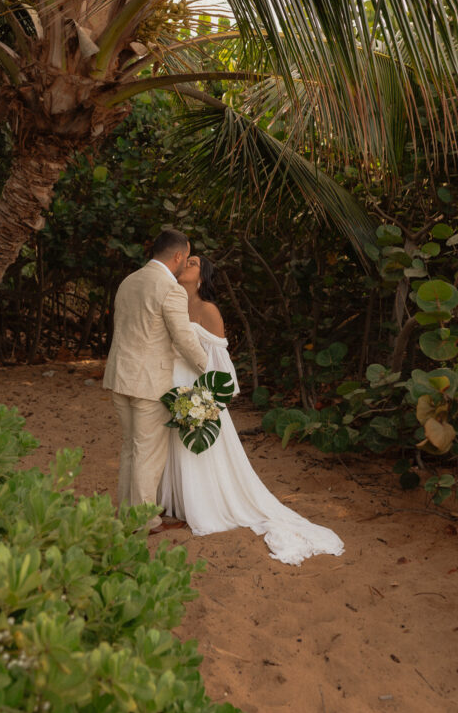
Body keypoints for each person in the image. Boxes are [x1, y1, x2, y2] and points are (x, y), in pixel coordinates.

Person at [159, 255, 345, 565]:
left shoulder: (209, 311)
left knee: (198, 452)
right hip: (172, 387)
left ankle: (201, 506)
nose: (184, 265)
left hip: (198, 392)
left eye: (191, 263)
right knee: (171, 448)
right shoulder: (173, 302)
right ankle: (174, 505)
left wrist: (204, 403)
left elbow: (219, 366)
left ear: (202, 278)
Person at [103, 229, 208, 534]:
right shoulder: (169, 288)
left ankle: (126, 514)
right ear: (178, 256)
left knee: (131, 448)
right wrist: (208, 367)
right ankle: (145, 520)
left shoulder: (129, 281)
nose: (184, 263)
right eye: (186, 258)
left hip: (120, 377)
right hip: (150, 382)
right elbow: (184, 338)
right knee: (148, 453)